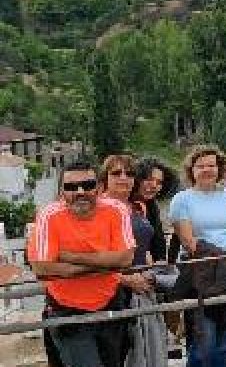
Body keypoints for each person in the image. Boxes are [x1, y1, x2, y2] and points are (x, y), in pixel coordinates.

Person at [27, 160, 136, 367]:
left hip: (110, 305)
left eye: (87, 185)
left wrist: (69, 257)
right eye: (70, 187)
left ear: (99, 188)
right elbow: (42, 268)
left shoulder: (117, 210)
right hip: (67, 310)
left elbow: (125, 259)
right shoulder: (49, 216)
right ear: (61, 191)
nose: (80, 192)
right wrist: (105, 263)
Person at [168, 145, 226, 367]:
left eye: (211, 165)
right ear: (191, 170)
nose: (206, 170)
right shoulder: (182, 200)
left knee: (225, 336)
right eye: (200, 166)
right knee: (205, 339)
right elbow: (188, 240)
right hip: (200, 273)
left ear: (220, 168)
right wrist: (222, 258)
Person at [101, 155, 169, 367]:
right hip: (111, 291)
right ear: (105, 178)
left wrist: (154, 273)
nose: (124, 178)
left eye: (129, 174)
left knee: (141, 353)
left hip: (141, 289)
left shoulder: (141, 207)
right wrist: (125, 279)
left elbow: (152, 247)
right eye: (116, 173)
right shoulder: (98, 207)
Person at [133, 158, 178, 264]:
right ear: (137, 179)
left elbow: (159, 242)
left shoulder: (152, 206)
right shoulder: (124, 204)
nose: (154, 185)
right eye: (149, 179)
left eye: (159, 182)